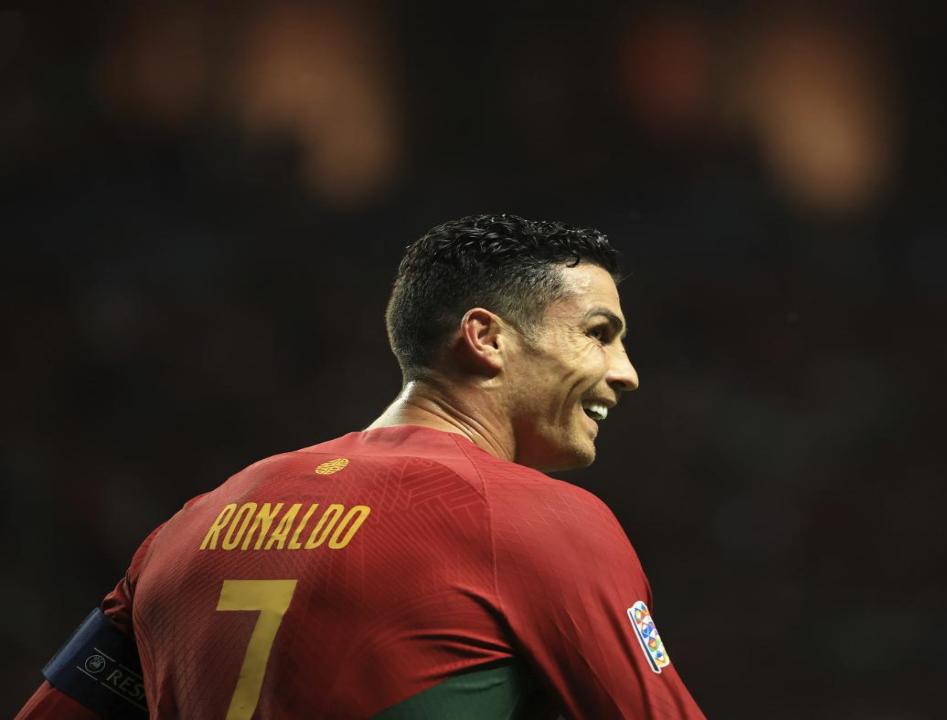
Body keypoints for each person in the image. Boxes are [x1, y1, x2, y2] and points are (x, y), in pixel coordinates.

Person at [18, 214, 705, 719]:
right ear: (486, 338)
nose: (626, 373)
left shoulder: (191, 523)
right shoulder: (540, 520)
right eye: (597, 334)